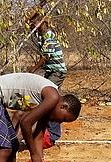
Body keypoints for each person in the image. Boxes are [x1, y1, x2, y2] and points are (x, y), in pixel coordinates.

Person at [28, 12, 67, 143]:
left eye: (35, 23)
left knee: (50, 99)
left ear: (43, 22)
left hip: (57, 72)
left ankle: (53, 133)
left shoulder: (49, 37)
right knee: (41, 95)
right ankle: (43, 128)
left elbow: (46, 57)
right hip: (50, 71)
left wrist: (34, 68)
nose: (33, 25)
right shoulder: (40, 36)